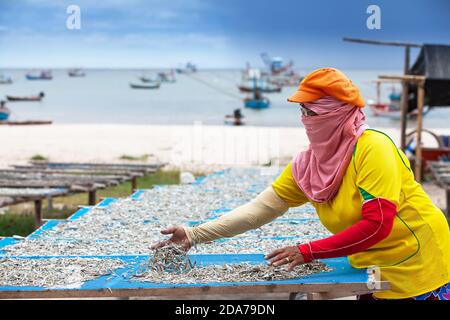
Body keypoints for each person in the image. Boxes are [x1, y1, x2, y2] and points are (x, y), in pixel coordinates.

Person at [153, 68, 450, 300]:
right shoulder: (310, 164)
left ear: (338, 113)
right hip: (370, 264)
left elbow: (377, 225)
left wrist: (309, 250)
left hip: (418, 258)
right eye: (302, 112)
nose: (305, 121)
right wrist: (194, 235)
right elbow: (260, 210)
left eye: (312, 113)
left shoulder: (373, 148)